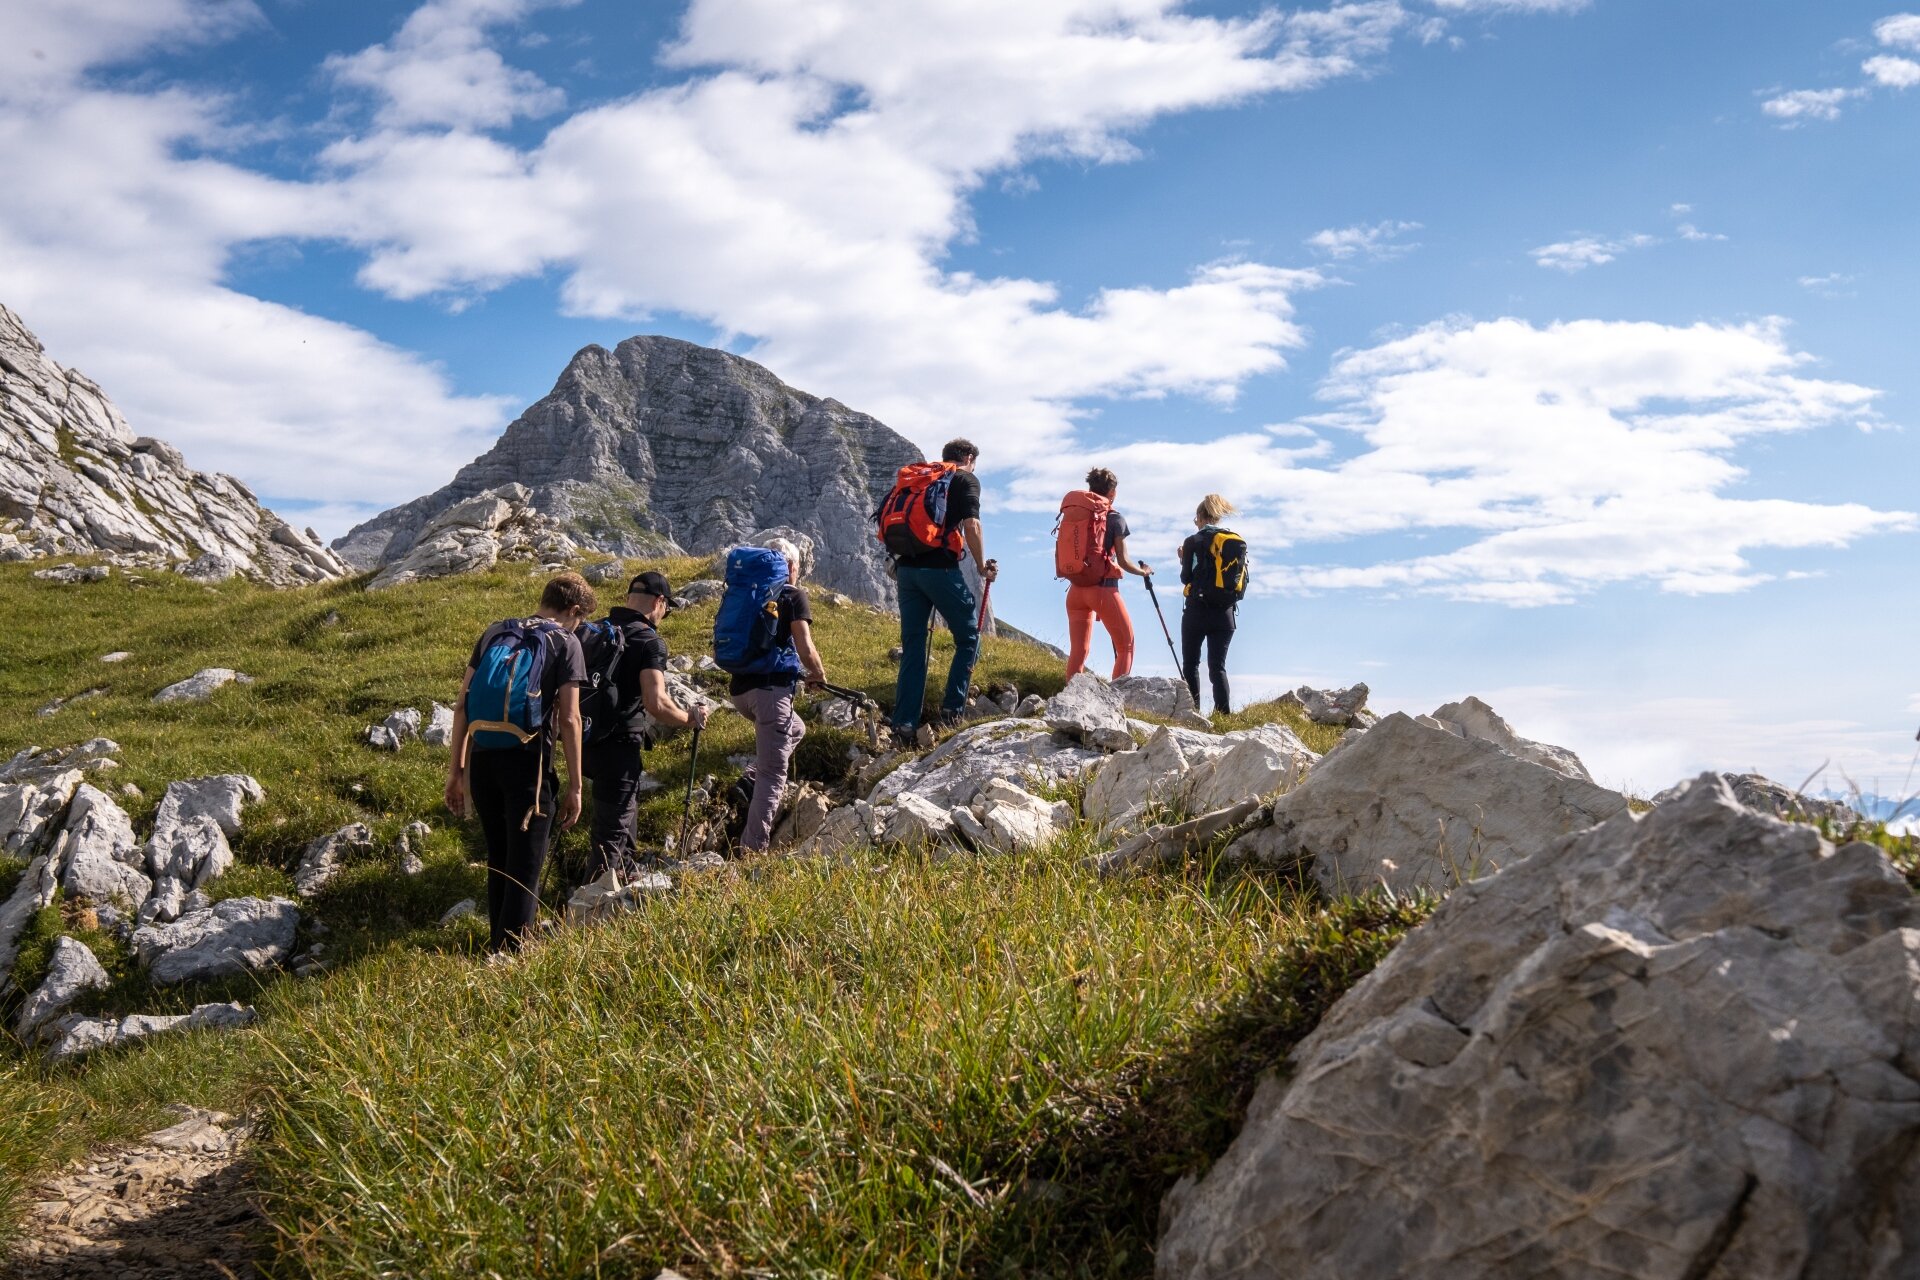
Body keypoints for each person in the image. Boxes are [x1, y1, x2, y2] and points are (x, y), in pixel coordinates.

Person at [444, 572, 594, 954]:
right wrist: (576, 786)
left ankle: (498, 947)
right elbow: (571, 719)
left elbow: (461, 704)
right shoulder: (565, 641)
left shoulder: (495, 632)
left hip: (482, 762)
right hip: (528, 765)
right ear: (573, 610)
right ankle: (508, 960)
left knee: (499, 858)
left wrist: (456, 771)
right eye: (580, 619)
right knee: (525, 868)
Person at [582, 570, 709, 881]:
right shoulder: (649, 641)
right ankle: (587, 916)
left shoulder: (593, 630)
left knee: (621, 820)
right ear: (660, 602)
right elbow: (657, 703)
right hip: (619, 746)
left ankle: (625, 883)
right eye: (667, 608)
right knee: (610, 836)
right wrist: (689, 719)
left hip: (583, 740)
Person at [889, 438, 997, 739]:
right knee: (969, 637)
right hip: (939, 569)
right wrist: (980, 566)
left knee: (913, 645)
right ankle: (952, 712)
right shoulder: (964, 478)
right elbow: (972, 525)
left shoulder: (923, 477)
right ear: (970, 457)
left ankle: (904, 724)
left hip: (906, 569)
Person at [726, 539, 828, 851]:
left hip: (741, 692)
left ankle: (749, 779)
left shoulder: (748, 592)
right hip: (770, 694)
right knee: (774, 775)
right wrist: (818, 674)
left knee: (796, 728)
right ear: (792, 567)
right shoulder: (792, 593)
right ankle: (752, 850)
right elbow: (805, 645)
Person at [1063, 467, 1152, 681]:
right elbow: (1123, 560)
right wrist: (1143, 572)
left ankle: (1070, 697)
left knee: (1079, 651)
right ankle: (1116, 702)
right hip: (1103, 590)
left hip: (1075, 591)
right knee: (1126, 646)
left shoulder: (1078, 513)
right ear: (1112, 493)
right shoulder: (1115, 519)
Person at [1178, 494, 1247, 715]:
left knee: (1191, 665)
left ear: (1199, 517)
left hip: (1197, 611)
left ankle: (1193, 714)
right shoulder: (1231, 541)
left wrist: (1183, 558)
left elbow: (1185, 577)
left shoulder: (1192, 542)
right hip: (1225, 614)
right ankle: (1223, 715)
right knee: (1217, 667)